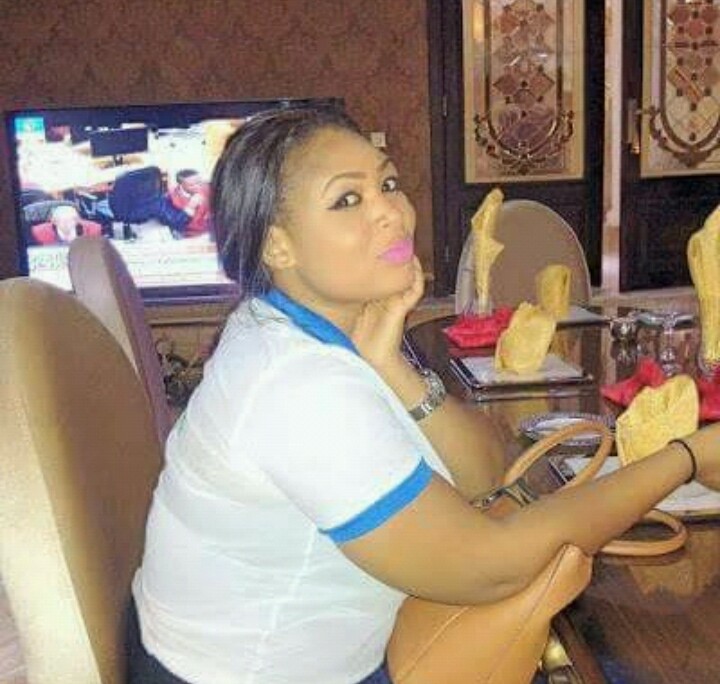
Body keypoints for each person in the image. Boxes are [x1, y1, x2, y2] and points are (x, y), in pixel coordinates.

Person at [128, 107, 720, 684]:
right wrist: (687, 458)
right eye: (347, 199)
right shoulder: (295, 383)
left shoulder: (301, 328)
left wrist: (393, 366)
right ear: (277, 246)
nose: (392, 212)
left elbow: (487, 474)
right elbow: (490, 567)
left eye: (387, 184)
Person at [166, 168, 211, 237]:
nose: (198, 187)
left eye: (199, 182)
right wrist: (191, 206)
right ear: (181, 185)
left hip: (210, 232)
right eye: (192, 185)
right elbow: (176, 223)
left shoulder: (208, 188)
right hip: (187, 236)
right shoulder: (171, 198)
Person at [31, 204, 102, 245]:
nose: (67, 224)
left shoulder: (92, 230)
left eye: (71, 220)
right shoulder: (39, 232)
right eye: (62, 221)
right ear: (54, 222)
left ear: (77, 220)